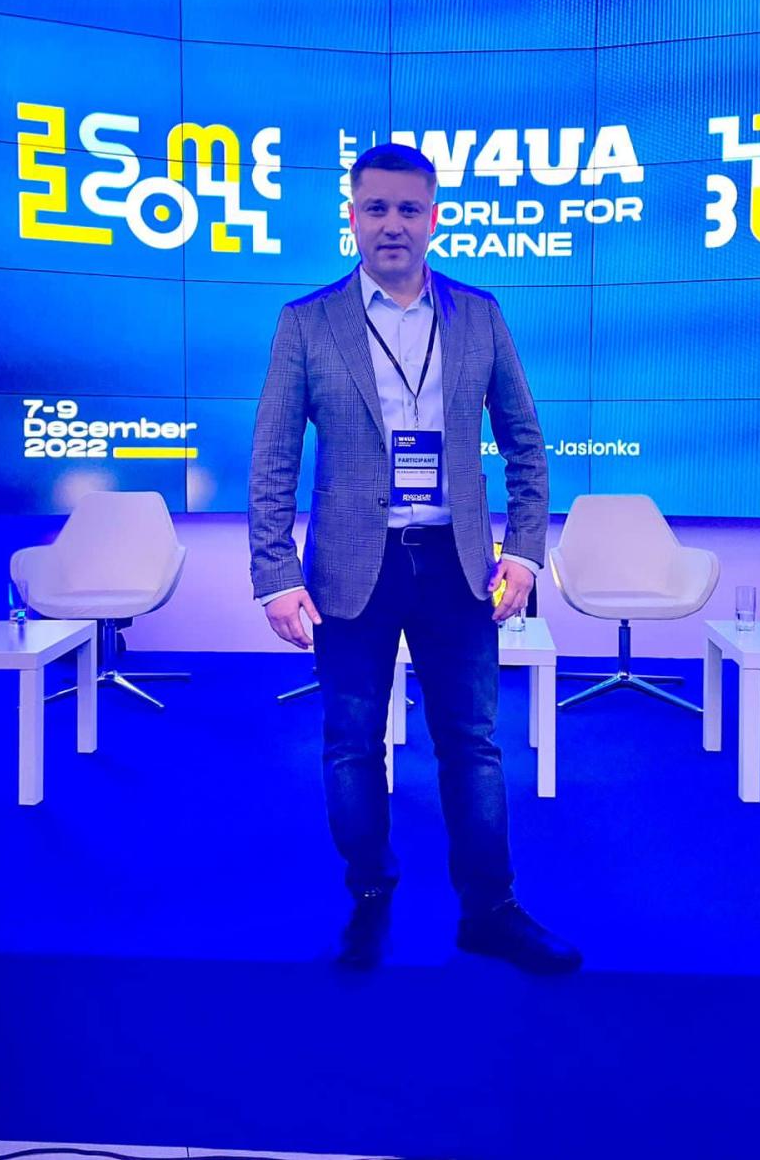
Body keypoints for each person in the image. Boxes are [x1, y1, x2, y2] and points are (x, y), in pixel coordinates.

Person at [249, 144, 580, 974]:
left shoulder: (480, 314)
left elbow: (526, 445)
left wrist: (526, 553)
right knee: (352, 743)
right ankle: (370, 895)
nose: (391, 223)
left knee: (473, 743)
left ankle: (490, 909)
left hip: (459, 564)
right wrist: (276, 573)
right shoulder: (307, 322)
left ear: (434, 218)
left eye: (408, 209)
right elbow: (273, 458)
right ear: (352, 217)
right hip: (349, 568)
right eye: (376, 208)